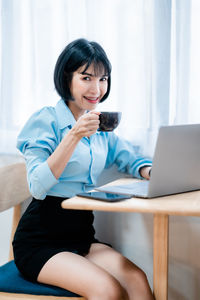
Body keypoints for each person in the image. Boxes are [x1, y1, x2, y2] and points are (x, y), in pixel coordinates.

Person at [13, 38, 154, 300]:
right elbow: (37, 185)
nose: (96, 88)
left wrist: (150, 171)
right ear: (67, 78)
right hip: (40, 241)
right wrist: (74, 135)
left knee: (137, 281)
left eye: (103, 79)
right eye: (86, 78)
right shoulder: (46, 121)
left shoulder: (100, 125)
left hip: (81, 235)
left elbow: (129, 158)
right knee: (108, 290)